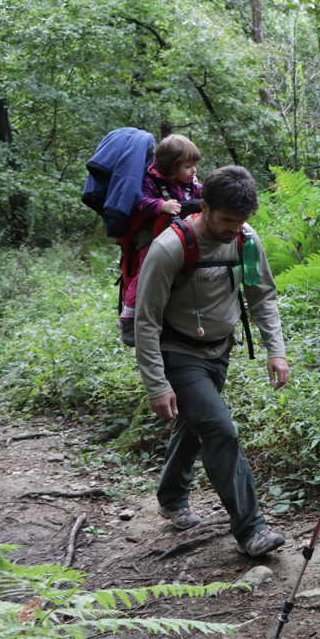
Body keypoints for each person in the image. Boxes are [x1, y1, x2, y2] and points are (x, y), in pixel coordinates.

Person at [134, 165, 289, 558]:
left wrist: (277, 350)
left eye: (241, 221)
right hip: (178, 353)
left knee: (194, 424)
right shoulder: (170, 247)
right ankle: (252, 530)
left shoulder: (246, 240)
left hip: (220, 350)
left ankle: (171, 497)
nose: (233, 229)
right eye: (226, 220)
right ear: (203, 206)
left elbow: (262, 296)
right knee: (219, 430)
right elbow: (146, 319)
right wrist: (157, 383)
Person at [118, 134, 204, 347]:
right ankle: (129, 315)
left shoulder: (191, 183)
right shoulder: (150, 180)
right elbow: (139, 202)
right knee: (149, 267)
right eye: (188, 166)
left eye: (194, 166)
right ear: (171, 168)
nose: (193, 171)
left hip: (183, 231)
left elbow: (204, 194)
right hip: (153, 232)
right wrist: (160, 206)